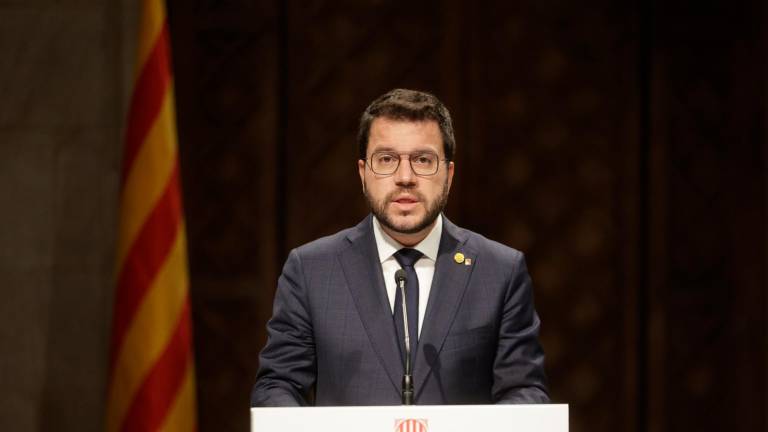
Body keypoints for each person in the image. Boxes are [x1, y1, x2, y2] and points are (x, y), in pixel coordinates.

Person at [251, 89, 548, 406]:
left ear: (448, 174)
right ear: (363, 173)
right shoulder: (312, 270)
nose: (405, 177)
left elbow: (524, 391)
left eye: (423, 160)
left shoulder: (499, 271)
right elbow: (277, 387)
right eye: (387, 159)